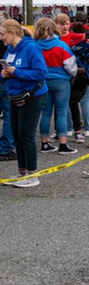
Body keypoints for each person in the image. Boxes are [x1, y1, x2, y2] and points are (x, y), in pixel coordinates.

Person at [0, 19, 48, 188]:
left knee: (26, 135)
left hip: (32, 95)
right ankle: (22, 172)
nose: (1, 38)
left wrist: (17, 72)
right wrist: (4, 75)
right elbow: (6, 72)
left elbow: (41, 72)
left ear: (12, 33)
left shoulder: (31, 48)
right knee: (17, 134)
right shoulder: (9, 50)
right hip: (14, 95)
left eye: (2, 34)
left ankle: (33, 174)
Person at [34, 18, 78, 155]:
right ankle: (63, 144)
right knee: (61, 113)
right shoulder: (61, 45)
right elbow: (71, 67)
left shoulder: (35, 46)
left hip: (44, 81)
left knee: (45, 113)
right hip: (61, 81)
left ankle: (44, 143)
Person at [0, 13, 15, 161]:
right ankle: (5, 147)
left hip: (3, 79)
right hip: (4, 81)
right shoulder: (7, 43)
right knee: (9, 115)